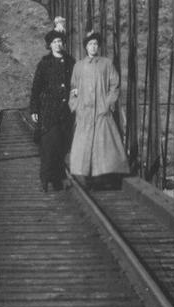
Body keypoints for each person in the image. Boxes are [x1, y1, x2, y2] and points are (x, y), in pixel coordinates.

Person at [68, 31, 129, 188]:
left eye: (95, 44)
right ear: (85, 47)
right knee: (84, 146)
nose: (93, 47)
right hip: (85, 113)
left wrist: (107, 104)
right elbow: (73, 89)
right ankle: (87, 178)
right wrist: (75, 106)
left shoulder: (106, 64)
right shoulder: (79, 66)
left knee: (104, 146)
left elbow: (114, 85)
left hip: (102, 113)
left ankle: (102, 178)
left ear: (99, 46)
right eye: (90, 44)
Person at [29, 29, 75, 191]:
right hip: (49, 110)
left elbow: (76, 82)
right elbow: (36, 87)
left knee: (63, 145)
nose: (57, 44)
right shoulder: (44, 63)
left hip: (67, 111)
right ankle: (46, 178)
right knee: (49, 144)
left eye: (60, 42)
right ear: (49, 45)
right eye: (54, 42)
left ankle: (58, 177)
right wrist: (34, 108)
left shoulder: (70, 61)